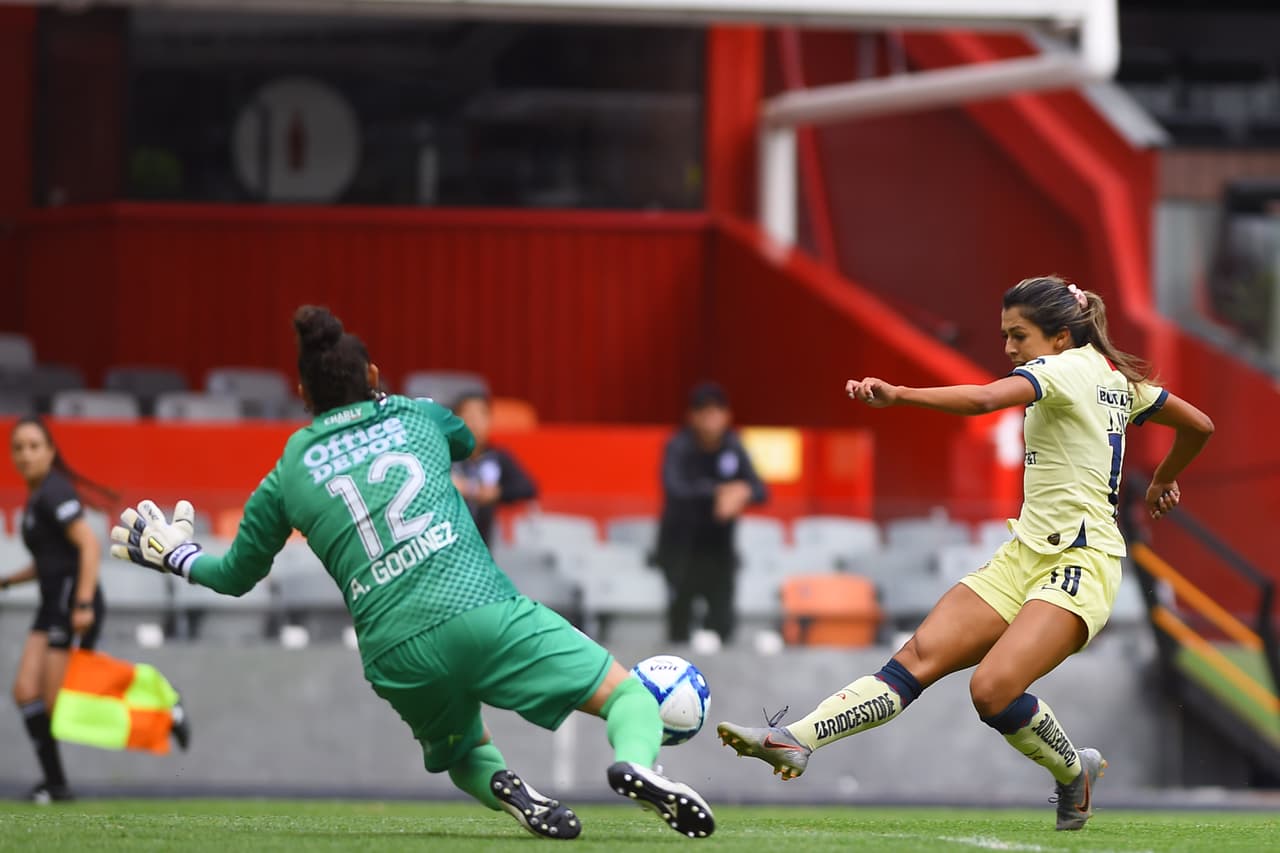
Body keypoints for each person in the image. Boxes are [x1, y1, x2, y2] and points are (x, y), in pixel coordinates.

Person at [110, 306, 715, 840]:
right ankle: (638, 764)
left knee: (462, 749)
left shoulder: (288, 470)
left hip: (394, 651)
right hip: (477, 609)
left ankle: (512, 790)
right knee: (626, 695)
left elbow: (235, 575)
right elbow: (467, 440)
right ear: (373, 376)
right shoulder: (413, 414)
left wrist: (176, 555)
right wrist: (393, 407)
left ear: (302, 392)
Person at [717, 276, 1214, 831]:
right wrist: (1163, 478)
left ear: (1060, 337)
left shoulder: (1063, 369)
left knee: (991, 690)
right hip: (1024, 556)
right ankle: (795, 740)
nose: (1010, 348)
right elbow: (1199, 426)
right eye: (1005, 336)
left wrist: (900, 394)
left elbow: (983, 399)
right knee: (916, 658)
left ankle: (1075, 772)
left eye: (1019, 335)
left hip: (1080, 563)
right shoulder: (1118, 380)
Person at [655, 382, 767, 647]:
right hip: (682, 547)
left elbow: (760, 490)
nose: (711, 418)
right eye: (704, 412)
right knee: (680, 622)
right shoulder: (679, 446)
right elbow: (675, 488)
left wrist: (742, 493)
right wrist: (719, 492)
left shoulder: (733, 445)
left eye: (717, 411)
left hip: (719, 549)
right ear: (692, 417)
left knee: (722, 621)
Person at [449, 391, 537, 545]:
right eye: (468, 416)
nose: (474, 423)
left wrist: (497, 493)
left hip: (486, 544)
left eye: (480, 416)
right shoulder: (447, 457)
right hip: (450, 542)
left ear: (489, 420)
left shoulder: (498, 457)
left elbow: (528, 487)